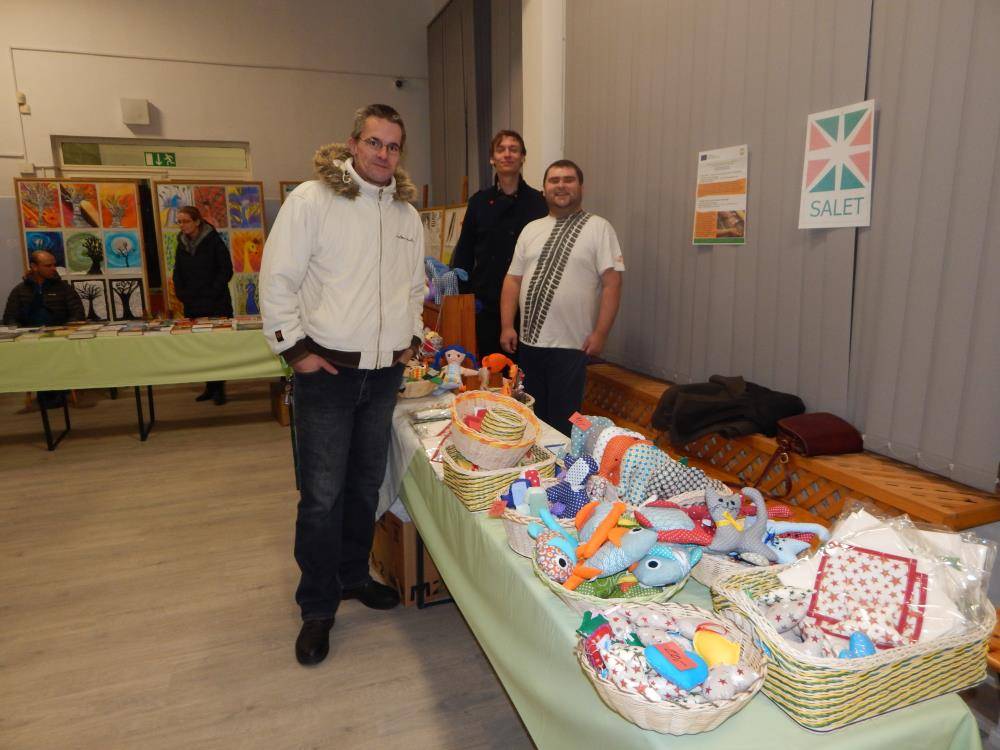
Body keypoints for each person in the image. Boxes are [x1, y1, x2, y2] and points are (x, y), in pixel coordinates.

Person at [260, 103, 424, 667]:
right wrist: (295, 351)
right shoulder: (312, 201)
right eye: (374, 142)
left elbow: (414, 288)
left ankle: (354, 576)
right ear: (353, 144)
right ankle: (317, 606)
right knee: (322, 496)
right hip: (326, 375)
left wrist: (412, 338)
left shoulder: (406, 215)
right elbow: (276, 280)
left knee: (364, 487)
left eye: (393, 146)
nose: (384, 154)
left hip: (384, 376)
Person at [499, 160, 624, 436]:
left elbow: (612, 283)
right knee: (530, 419)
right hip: (529, 345)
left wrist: (601, 333)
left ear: (581, 187)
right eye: (554, 180)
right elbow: (513, 280)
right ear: (544, 189)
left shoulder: (599, 228)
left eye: (568, 179)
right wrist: (507, 325)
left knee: (565, 423)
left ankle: (566, 465)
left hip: (572, 346)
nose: (561, 185)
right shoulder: (531, 229)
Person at [450, 130, 547, 358]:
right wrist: (463, 298)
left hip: (528, 305)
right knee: (489, 368)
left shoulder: (539, 202)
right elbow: (464, 252)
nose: (507, 154)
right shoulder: (479, 202)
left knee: (524, 372)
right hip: (486, 303)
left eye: (514, 149)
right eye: (501, 150)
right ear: (492, 159)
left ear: (523, 157)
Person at [4, 250, 84, 408]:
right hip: (29, 340)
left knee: (54, 353)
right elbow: (10, 317)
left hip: (59, 337)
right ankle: (47, 392)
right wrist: (20, 333)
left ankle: (55, 392)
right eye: (48, 265)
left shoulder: (64, 288)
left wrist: (66, 330)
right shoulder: (19, 290)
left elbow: (77, 314)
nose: (53, 268)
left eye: (54, 264)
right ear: (34, 267)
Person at [172, 205, 234, 405]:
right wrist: (181, 293)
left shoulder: (213, 241)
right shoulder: (181, 243)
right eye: (179, 222)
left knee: (217, 347)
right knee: (202, 346)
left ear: (197, 221)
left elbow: (226, 270)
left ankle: (219, 389)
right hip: (193, 303)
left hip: (216, 302)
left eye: (186, 221)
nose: (182, 225)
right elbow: (178, 271)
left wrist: (211, 292)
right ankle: (209, 386)